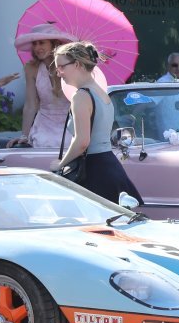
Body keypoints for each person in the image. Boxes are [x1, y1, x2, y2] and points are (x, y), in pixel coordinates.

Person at [50, 42, 141, 204]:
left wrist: (61, 164)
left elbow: (82, 142)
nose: (59, 73)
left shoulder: (81, 96)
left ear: (77, 64)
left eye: (61, 67)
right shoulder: (102, 92)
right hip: (109, 166)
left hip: (93, 171)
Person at [14, 22, 77, 149]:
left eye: (42, 43)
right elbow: (30, 104)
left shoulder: (71, 66)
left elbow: (80, 100)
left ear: (54, 44)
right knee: (42, 144)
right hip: (43, 127)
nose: (37, 48)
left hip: (71, 125)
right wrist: (24, 135)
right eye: (34, 44)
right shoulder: (31, 68)